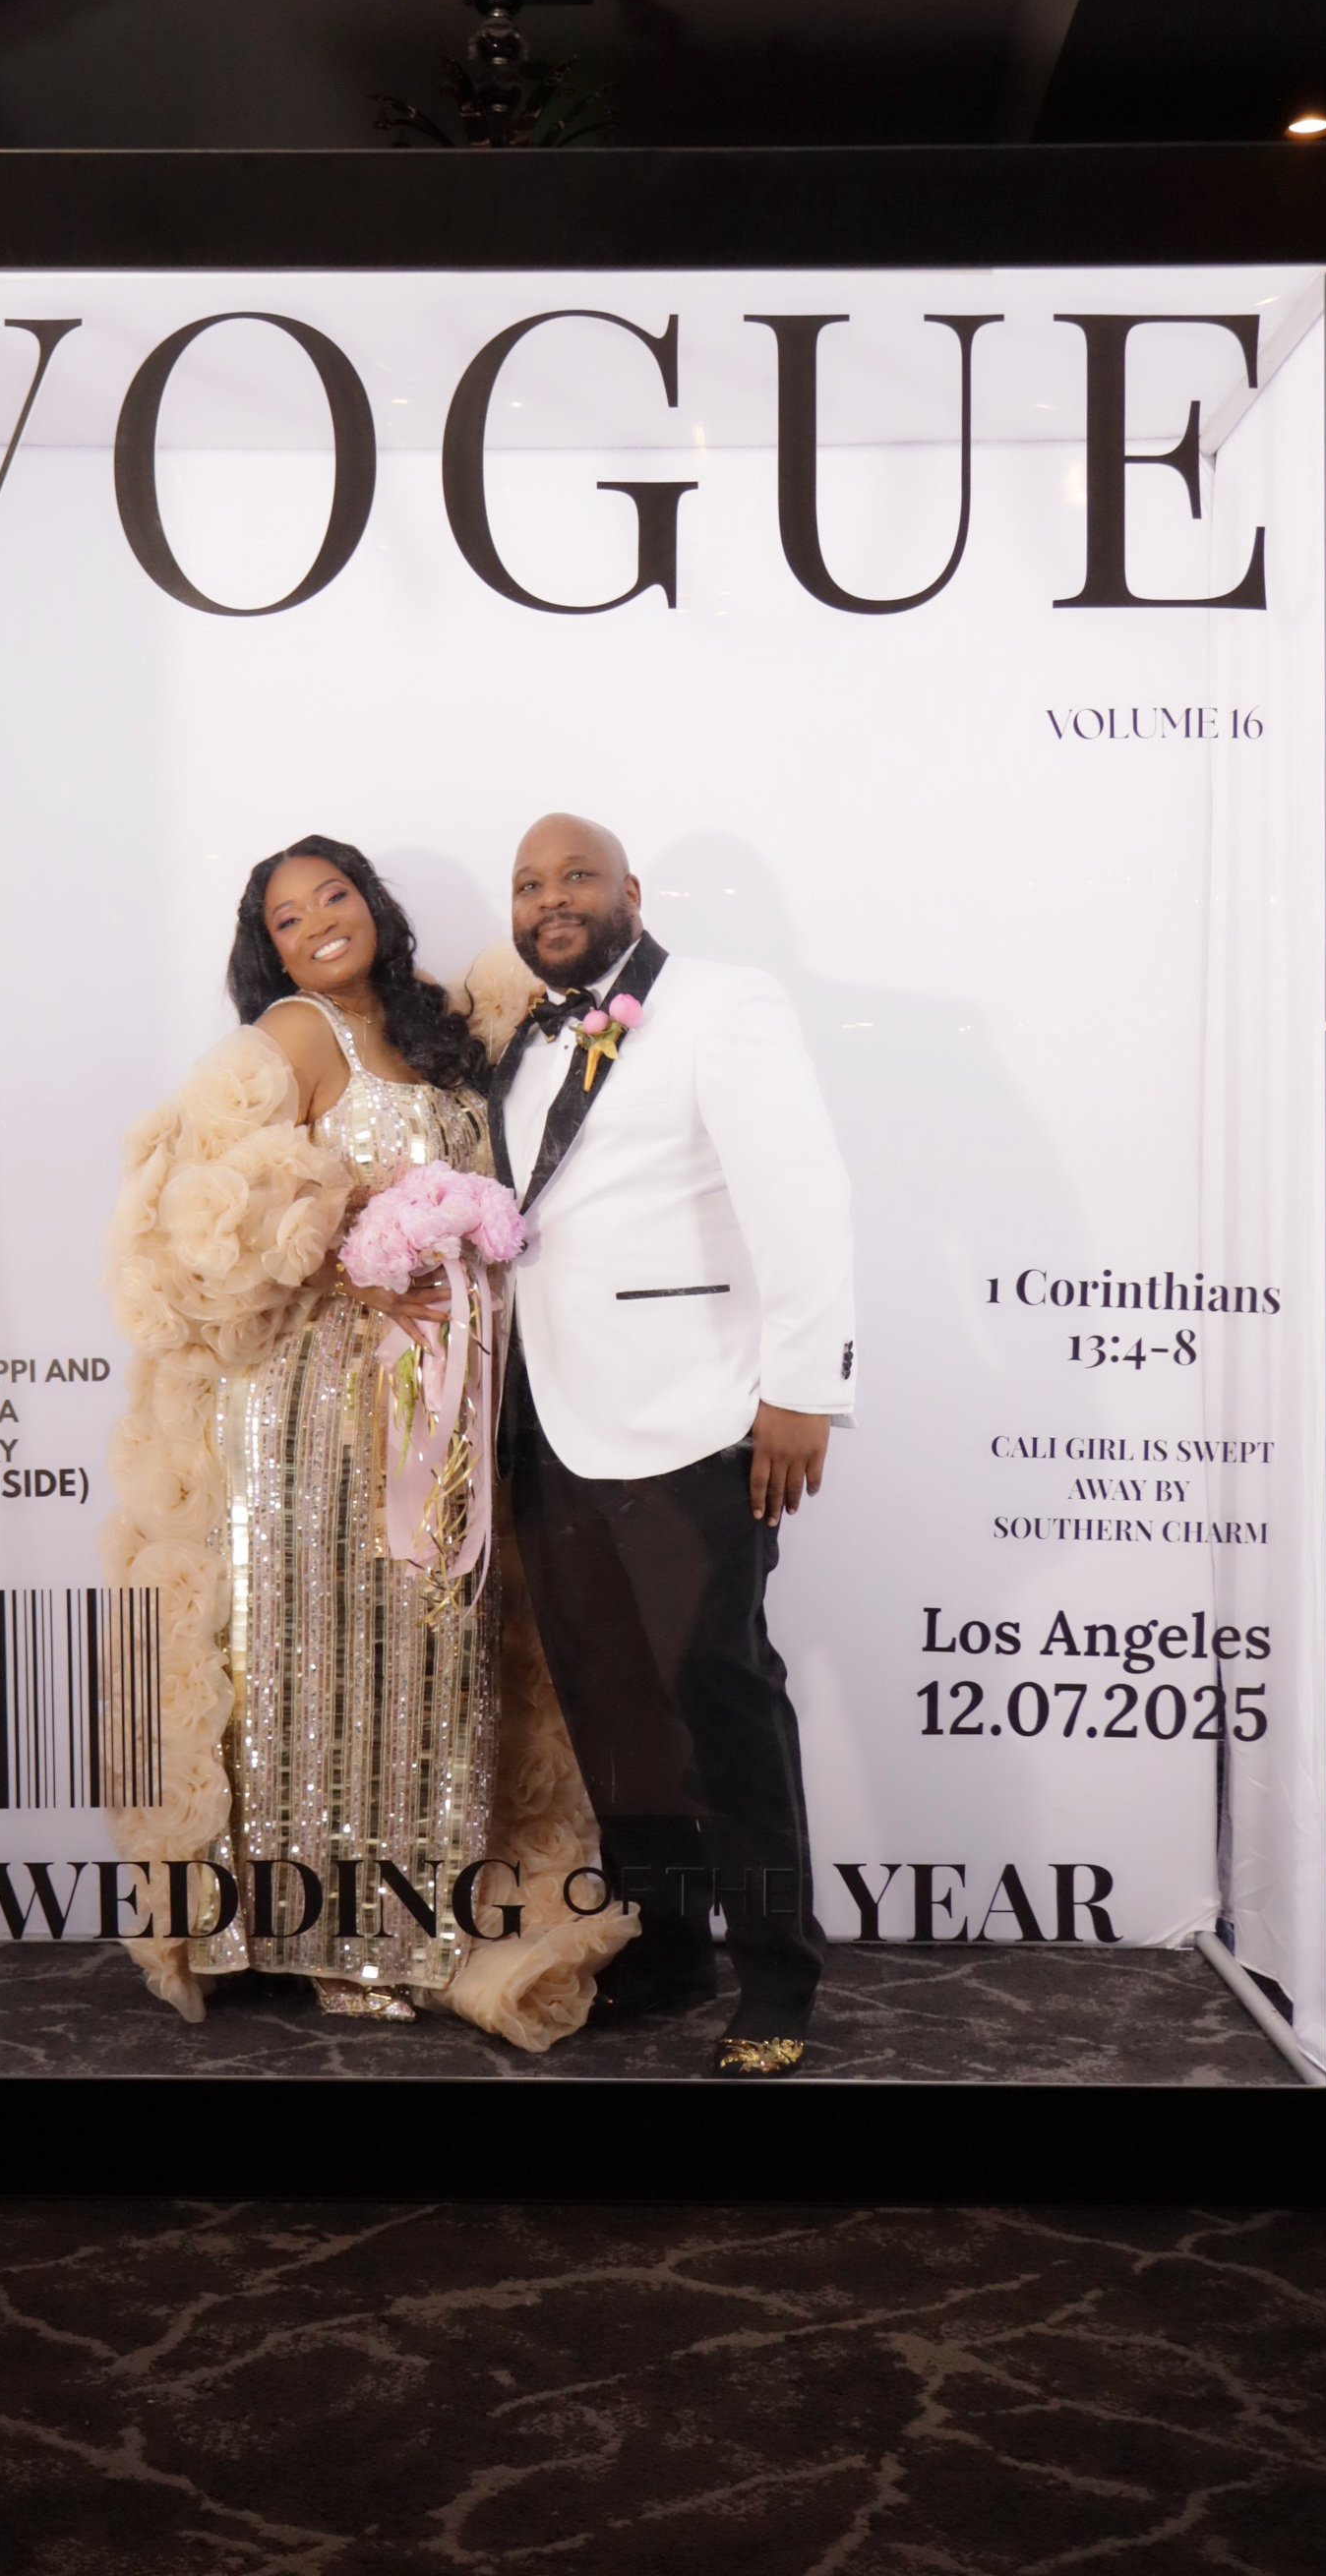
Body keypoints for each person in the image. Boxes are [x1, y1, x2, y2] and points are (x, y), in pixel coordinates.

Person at [102, 837, 633, 2046]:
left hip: (437, 1403)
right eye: (289, 917)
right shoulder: (290, 1038)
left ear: (373, 908)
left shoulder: (435, 1028)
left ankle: (412, 1922)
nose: (319, 923)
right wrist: (358, 1265)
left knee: (430, 1658)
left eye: (334, 895)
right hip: (313, 1409)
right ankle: (324, 1935)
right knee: (319, 1657)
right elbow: (214, 1221)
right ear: (271, 948)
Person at [489, 811, 855, 2075]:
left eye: (576, 875)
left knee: (721, 1700)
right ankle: (664, 1946)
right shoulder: (527, 1045)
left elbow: (800, 1191)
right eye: (530, 884)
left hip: (699, 1415)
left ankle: (777, 1971)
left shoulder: (720, 1002)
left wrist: (803, 1387)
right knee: (613, 1702)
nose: (552, 899)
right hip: (555, 1423)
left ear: (630, 889)